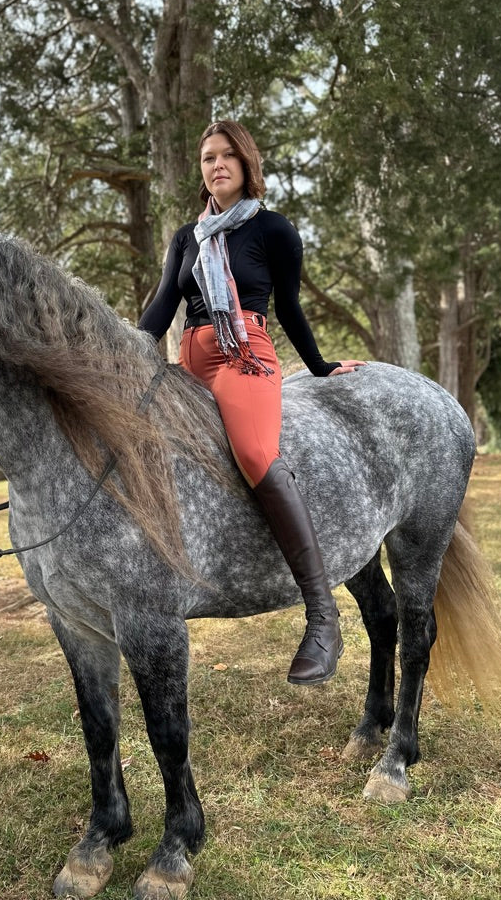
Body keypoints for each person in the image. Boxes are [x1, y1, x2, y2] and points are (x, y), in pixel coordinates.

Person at [139, 120, 365, 686]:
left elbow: (288, 306)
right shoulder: (187, 237)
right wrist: (128, 356)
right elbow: (165, 303)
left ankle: (322, 615)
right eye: (207, 157)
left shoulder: (274, 230)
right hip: (191, 358)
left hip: (246, 355)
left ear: (246, 164)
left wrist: (317, 367)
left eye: (226, 156)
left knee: (256, 454)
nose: (216, 165)